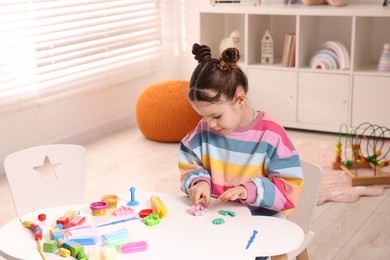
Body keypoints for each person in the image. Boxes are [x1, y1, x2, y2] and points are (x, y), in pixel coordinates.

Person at [179, 43, 303, 219]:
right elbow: (189, 163)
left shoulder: (271, 135)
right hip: (215, 215)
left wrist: (248, 191)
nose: (210, 124)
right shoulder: (204, 130)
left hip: (260, 218)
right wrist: (199, 182)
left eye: (216, 116)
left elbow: (289, 189)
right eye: (204, 116)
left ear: (239, 99)